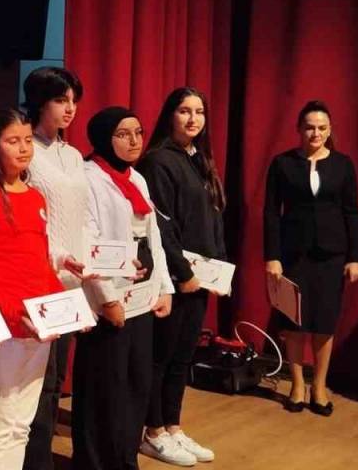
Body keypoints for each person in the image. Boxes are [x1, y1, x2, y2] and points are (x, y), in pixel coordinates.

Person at [0, 109, 68, 469]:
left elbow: (41, 264)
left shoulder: (36, 197)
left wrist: (67, 310)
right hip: (4, 327)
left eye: (27, 140)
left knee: (21, 424)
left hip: (38, 328)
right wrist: (11, 312)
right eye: (13, 141)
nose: (24, 148)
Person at [76, 107, 174, 470]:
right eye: (123, 134)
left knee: (136, 382)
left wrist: (164, 288)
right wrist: (107, 299)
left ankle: (124, 459)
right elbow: (88, 241)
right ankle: (96, 462)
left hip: (141, 292)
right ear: (104, 137)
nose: (134, 141)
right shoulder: (88, 177)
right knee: (106, 385)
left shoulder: (137, 178)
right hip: (110, 297)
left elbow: (154, 237)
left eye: (138, 131)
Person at [137, 87, 226, 466]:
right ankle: (152, 432)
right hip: (174, 279)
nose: (193, 119)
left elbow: (211, 220)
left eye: (199, 111)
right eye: (185, 111)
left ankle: (173, 427)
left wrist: (219, 272)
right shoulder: (158, 161)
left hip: (201, 277)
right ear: (169, 115)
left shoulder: (198, 159)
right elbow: (161, 226)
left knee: (182, 358)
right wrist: (183, 272)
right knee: (162, 356)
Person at [264, 100, 358, 416]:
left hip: (332, 256)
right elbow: (270, 213)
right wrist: (272, 256)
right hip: (293, 255)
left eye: (321, 127)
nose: (315, 133)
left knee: (324, 322)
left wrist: (355, 256)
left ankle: (318, 387)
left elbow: (352, 213)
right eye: (309, 127)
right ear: (299, 129)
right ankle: (295, 384)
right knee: (293, 322)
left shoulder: (344, 165)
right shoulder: (282, 164)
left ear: (330, 129)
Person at [20, 66, 91, 469]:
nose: (70, 109)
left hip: (70, 283)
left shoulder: (73, 154)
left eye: (73, 101)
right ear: (40, 101)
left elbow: (79, 218)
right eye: (61, 100)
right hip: (35, 279)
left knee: (53, 385)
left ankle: (40, 459)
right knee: (33, 382)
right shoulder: (25, 147)